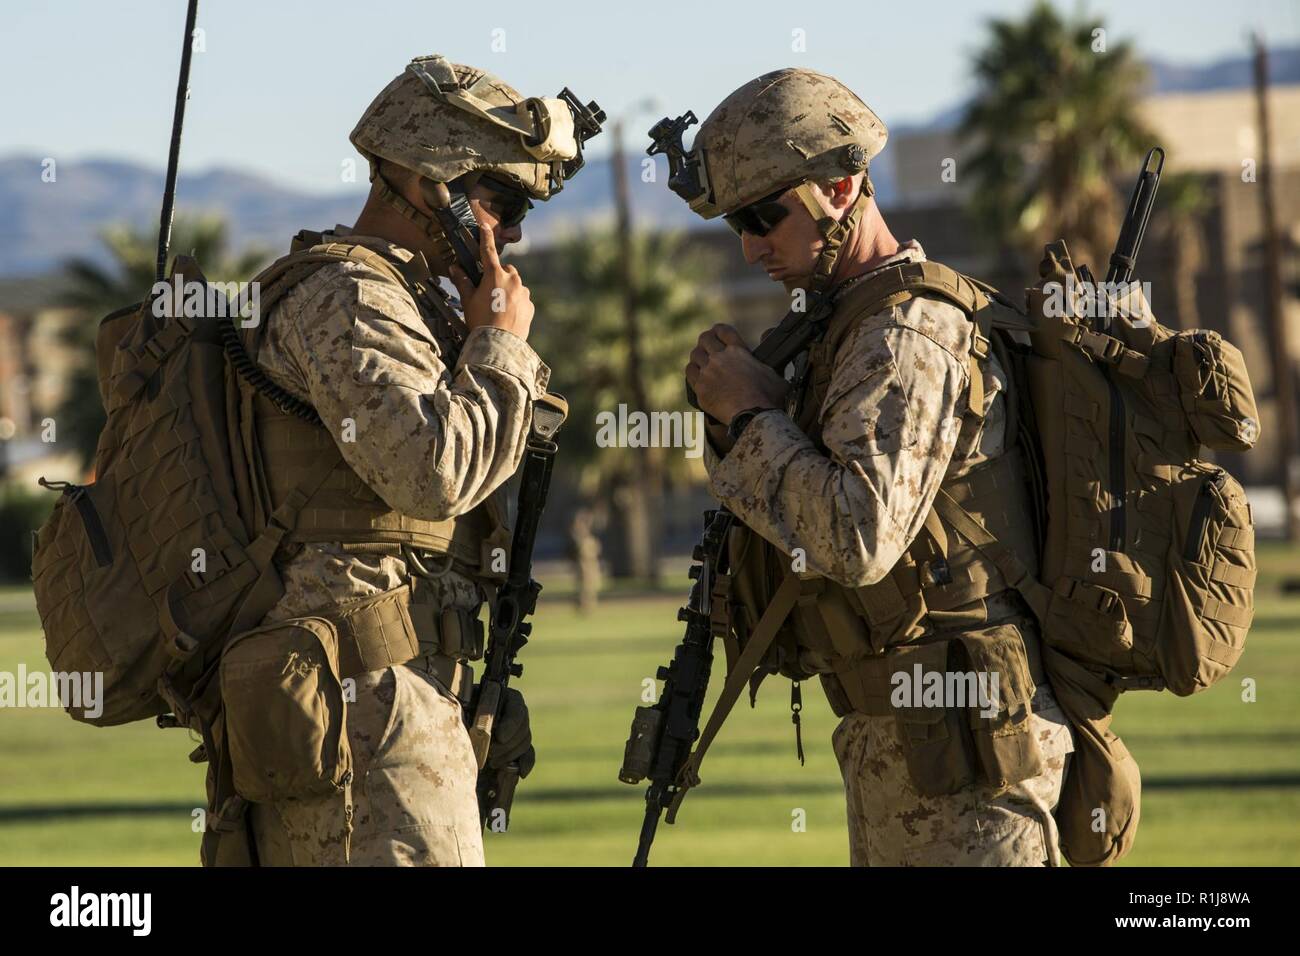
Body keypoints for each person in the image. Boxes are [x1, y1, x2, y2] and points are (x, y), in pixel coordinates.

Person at [674, 68, 1075, 866]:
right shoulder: (847, 328)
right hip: (908, 746)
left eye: (763, 215)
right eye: (735, 226)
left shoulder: (905, 335)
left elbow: (859, 537)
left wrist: (751, 418)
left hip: (968, 761)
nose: (752, 246)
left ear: (844, 184)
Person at [209, 54, 598, 866]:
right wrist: (499, 343)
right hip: (364, 713)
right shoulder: (351, 296)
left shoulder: (404, 299)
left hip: (391, 698)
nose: (514, 231)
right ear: (432, 185)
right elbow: (432, 474)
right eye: (503, 201)